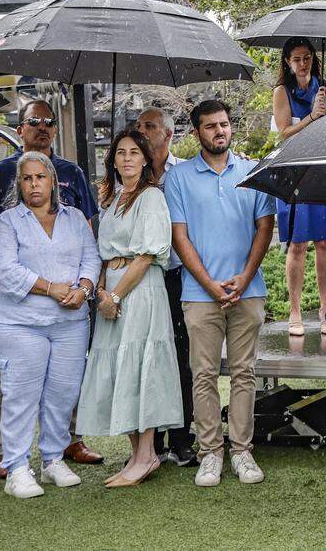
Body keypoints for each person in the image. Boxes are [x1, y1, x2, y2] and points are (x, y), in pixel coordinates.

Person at [0, 99, 103, 478]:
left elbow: (91, 251)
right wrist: (49, 287)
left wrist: (83, 286)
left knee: (62, 390)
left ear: (54, 181)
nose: (43, 126)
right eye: (35, 121)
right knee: (19, 389)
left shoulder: (73, 195)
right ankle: (13, 460)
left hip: (69, 318)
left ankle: (55, 456)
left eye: (49, 121)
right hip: (21, 318)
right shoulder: (3, 198)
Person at [166, 100, 276, 488]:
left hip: (248, 290)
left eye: (225, 125)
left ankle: (242, 451)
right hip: (199, 294)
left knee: (245, 372)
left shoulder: (252, 172)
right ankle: (210, 453)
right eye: (211, 126)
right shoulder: (178, 178)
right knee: (204, 373)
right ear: (196, 132)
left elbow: (265, 227)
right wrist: (211, 285)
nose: (220, 131)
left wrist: (244, 278)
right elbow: (180, 238)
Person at [75, 128, 182, 487]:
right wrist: (102, 294)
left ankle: (148, 452)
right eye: (120, 152)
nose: (126, 158)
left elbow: (147, 255)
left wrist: (116, 296)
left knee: (142, 365)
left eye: (134, 152)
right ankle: (137, 454)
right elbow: (105, 254)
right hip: (111, 292)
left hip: (139, 291)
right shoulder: (112, 199)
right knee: (120, 368)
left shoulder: (151, 198)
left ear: (145, 158)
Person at [136, 108, 195, 466]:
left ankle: (182, 437)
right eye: (139, 126)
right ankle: (150, 440)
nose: (141, 131)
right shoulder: (131, 173)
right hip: (144, 278)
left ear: (168, 135)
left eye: (149, 126)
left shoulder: (183, 173)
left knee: (181, 357)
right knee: (149, 357)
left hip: (178, 275)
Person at [272, 37, 326, 336]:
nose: (302, 63)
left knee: (325, 242)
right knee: (297, 244)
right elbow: (285, 132)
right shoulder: (282, 92)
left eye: (307, 57)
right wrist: (312, 116)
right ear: (287, 61)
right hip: (294, 170)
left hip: (322, 169)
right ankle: (295, 310)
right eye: (297, 58)